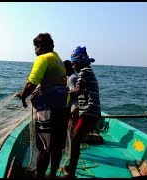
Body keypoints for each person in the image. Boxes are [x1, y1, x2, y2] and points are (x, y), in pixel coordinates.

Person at [16, 33, 69, 178]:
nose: (34, 51)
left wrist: (23, 95)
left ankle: (39, 176)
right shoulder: (58, 59)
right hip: (62, 109)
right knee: (57, 147)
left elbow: (31, 83)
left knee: (44, 147)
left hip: (47, 110)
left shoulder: (42, 58)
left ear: (40, 47)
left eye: (35, 47)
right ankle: (52, 174)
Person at [63, 46, 101, 178]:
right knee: (75, 137)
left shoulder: (84, 71)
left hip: (89, 112)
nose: (73, 66)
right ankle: (71, 167)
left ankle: (71, 173)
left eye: (74, 63)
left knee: (75, 139)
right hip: (91, 112)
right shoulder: (88, 71)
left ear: (79, 62)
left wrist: (61, 93)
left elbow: (77, 90)